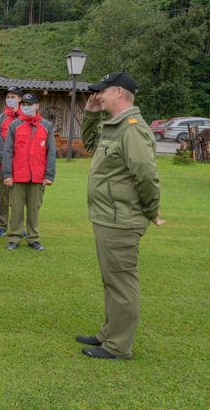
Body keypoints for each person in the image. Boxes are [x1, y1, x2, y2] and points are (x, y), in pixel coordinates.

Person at [76, 72, 164, 360]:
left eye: (102, 91)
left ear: (119, 92)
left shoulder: (133, 129)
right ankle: (108, 333)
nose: (97, 95)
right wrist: (90, 115)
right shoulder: (115, 126)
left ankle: (118, 346)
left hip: (121, 219)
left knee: (122, 282)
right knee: (111, 279)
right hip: (107, 216)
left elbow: (147, 175)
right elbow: (89, 145)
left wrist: (151, 211)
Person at [1, 93, 56, 251]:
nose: (26, 107)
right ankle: (14, 238)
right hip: (17, 175)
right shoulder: (14, 125)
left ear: (37, 106)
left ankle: (33, 239)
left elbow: (50, 152)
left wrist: (49, 175)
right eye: (24, 104)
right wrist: (7, 174)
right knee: (16, 208)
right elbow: (8, 151)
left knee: (34, 209)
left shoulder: (46, 126)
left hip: (38, 176)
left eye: (30, 104)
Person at [0, 86, 23, 238]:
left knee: (19, 197)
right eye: (8, 96)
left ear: (20, 99)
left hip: (23, 166)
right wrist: (6, 166)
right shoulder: (0, 119)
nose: (10, 99)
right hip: (5, 164)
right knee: (4, 196)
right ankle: (1, 226)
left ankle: (18, 226)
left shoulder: (26, 118)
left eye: (13, 96)